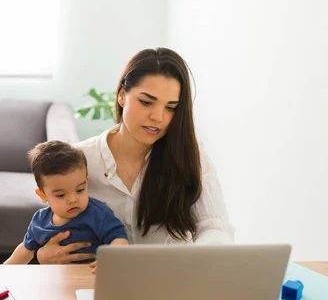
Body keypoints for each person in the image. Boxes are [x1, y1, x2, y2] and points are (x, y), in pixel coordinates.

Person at [35, 47, 235, 266]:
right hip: (97, 287)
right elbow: (49, 225)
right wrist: (42, 255)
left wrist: (203, 258)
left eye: (171, 108)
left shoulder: (189, 155)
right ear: (122, 95)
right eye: (146, 102)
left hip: (172, 283)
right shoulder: (82, 160)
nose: (158, 117)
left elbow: (214, 226)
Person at [3, 140, 129, 272]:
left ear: (87, 182)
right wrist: (1, 272)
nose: (73, 200)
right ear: (42, 195)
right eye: (61, 195)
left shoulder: (98, 214)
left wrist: (112, 258)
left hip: (90, 280)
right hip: (55, 283)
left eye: (80, 190)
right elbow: (25, 249)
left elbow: (119, 237)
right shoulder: (40, 221)